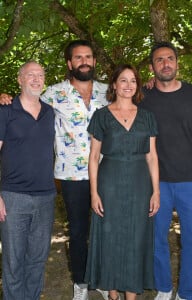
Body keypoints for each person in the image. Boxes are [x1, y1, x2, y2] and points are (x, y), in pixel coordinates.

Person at [0, 40, 109, 300]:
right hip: (63, 179)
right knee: (74, 233)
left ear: (94, 61)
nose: (84, 61)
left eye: (88, 56)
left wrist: (150, 84)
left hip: (100, 175)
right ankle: (79, 284)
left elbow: (134, 96)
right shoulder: (49, 97)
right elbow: (21, 100)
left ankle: (104, 280)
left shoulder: (107, 92)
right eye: (78, 57)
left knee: (104, 232)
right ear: (70, 64)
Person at [139, 41, 192, 300]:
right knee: (156, 238)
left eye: (170, 58)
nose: (166, 63)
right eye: (159, 60)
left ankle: (188, 293)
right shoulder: (143, 96)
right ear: (152, 66)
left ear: (177, 63)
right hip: (155, 181)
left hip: (189, 178)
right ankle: (164, 288)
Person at [84, 64, 160, 300]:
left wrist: (156, 191)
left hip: (140, 183)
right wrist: (94, 193)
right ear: (114, 85)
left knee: (136, 237)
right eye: (123, 80)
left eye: (133, 81)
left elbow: (152, 156)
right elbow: (94, 157)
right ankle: (113, 293)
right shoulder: (101, 115)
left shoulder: (147, 116)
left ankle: (131, 295)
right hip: (109, 183)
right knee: (110, 237)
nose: (128, 85)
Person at [0, 61, 56, 299]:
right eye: (30, 74)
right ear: (20, 80)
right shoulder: (5, 110)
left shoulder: (50, 111)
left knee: (37, 259)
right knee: (13, 261)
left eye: (40, 74)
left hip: (46, 196)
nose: (36, 78)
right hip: (13, 197)